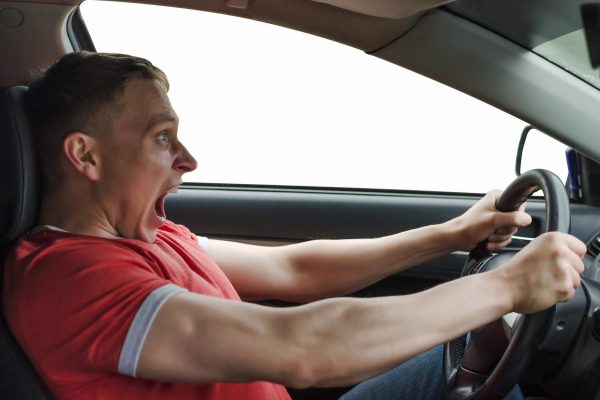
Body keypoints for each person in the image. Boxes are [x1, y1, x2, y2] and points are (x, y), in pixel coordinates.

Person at [2, 51, 585, 400]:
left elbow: (294, 267)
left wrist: (454, 234)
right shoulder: (71, 280)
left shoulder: (150, 237)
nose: (188, 160)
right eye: (162, 138)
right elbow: (302, 347)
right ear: (87, 156)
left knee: (455, 355)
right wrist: (505, 287)